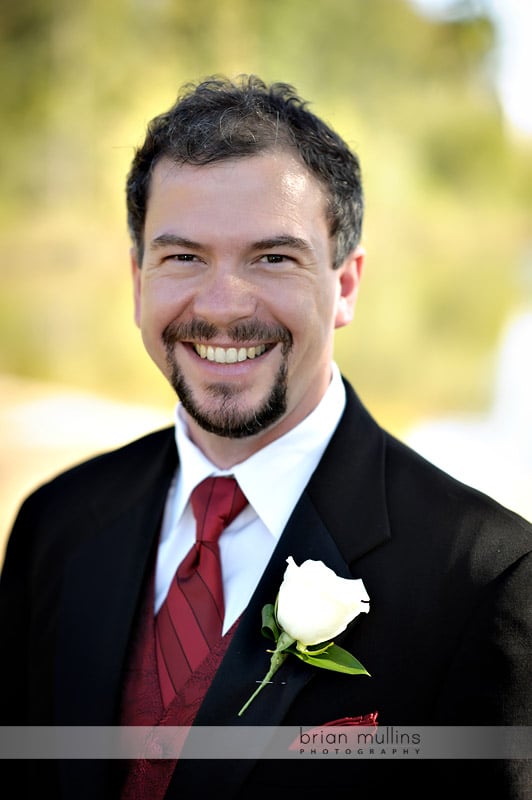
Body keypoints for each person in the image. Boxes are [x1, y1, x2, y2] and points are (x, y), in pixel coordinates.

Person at [0, 74, 530, 799]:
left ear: (344, 284)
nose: (222, 307)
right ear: (137, 278)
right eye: (183, 256)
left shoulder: (487, 577)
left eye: (272, 257)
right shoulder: (53, 522)